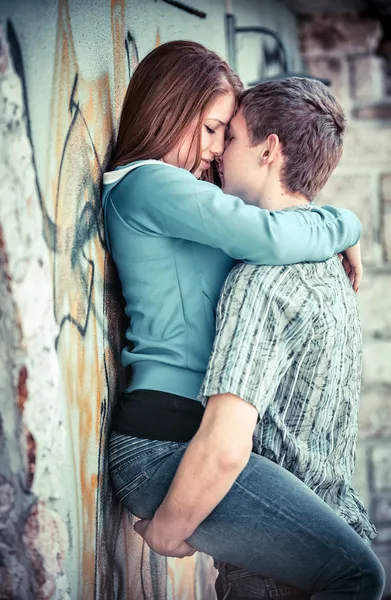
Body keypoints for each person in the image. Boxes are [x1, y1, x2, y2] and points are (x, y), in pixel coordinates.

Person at [102, 41, 384, 598]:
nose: (213, 150)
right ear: (168, 108)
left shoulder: (180, 192)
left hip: (190, 436)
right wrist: (346, 224)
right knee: (356, 575)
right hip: (167, 440)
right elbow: (268, 235)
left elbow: (268, 226)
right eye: (210, 129)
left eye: (224, 135)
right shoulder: (146, 183)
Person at [195, 77, 380, 599]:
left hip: (279, 573)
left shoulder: (263, 278)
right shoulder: (330, 262)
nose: (216, 154)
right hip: (331, 533)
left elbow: (225, 444)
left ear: (269, 149)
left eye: (230, 138)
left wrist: (169, 525)